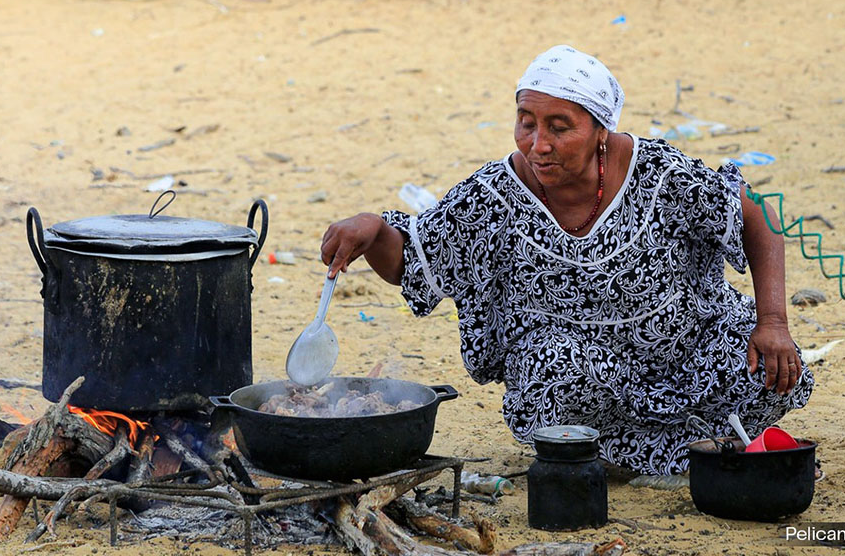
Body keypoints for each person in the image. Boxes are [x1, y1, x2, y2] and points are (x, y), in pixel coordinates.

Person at [320, 45, 813, 476]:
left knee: (775, 372)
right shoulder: (493, 196)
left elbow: (757, 216)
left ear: (601, 129)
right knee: (547, 370)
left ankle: (671, 447)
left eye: (560, 127)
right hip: (582, 371)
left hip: (684, 355)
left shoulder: (660, 174)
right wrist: (375, 229)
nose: (538, 144)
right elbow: (414, 260)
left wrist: (772, 321)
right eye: (527, 123)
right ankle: (643, 452)